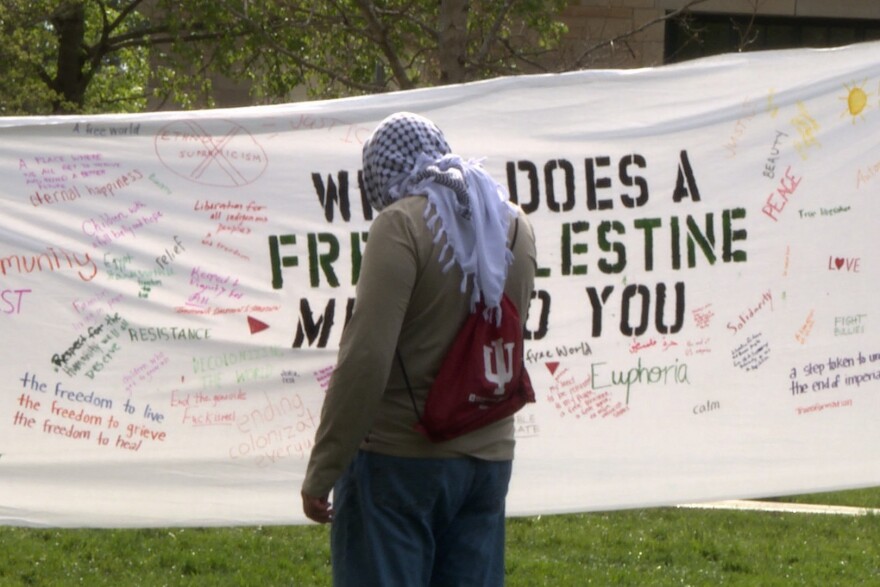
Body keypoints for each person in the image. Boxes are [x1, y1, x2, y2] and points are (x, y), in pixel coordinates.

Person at [301, 111, 537, 587]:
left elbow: (366, 359)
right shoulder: (512, 223)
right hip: (488, 459)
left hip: (400, 459)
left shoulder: (400, 225)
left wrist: (323, 469)